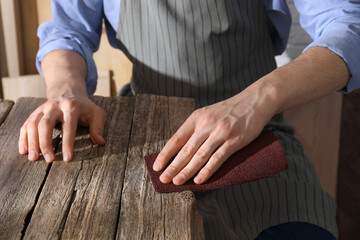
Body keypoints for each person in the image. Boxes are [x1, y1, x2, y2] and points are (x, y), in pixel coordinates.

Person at [18, 0, 360, 239]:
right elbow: (67, 31)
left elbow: (350, 27)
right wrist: (66, 90)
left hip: (257, 135)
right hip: (148, 137)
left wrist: (254, 102)